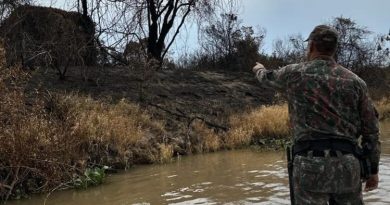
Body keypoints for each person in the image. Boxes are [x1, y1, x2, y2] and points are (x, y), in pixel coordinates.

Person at [253, 25, 381, 204]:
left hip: (309, 165)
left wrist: (258, 68)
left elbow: (266, 78)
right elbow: (371, 131)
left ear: (311, 45)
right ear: (334, 48)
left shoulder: (295, 73)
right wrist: (373, 170)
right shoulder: (356, 82)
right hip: (348, 166)